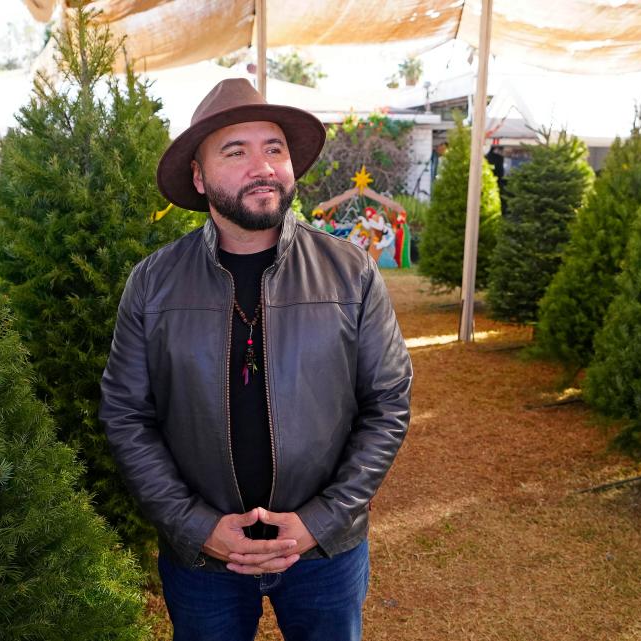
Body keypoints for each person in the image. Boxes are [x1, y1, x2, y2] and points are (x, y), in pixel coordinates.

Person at [99, 78, 412, 641]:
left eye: (274, 148)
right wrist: (198, 528)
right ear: (199, 176)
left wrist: (319, 522)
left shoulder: (352, 272)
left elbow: (387, 403)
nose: (262, 166)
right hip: (204, 565)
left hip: (325, 556)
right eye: (235, 151)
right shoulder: (152, 284)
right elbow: (125, 416)